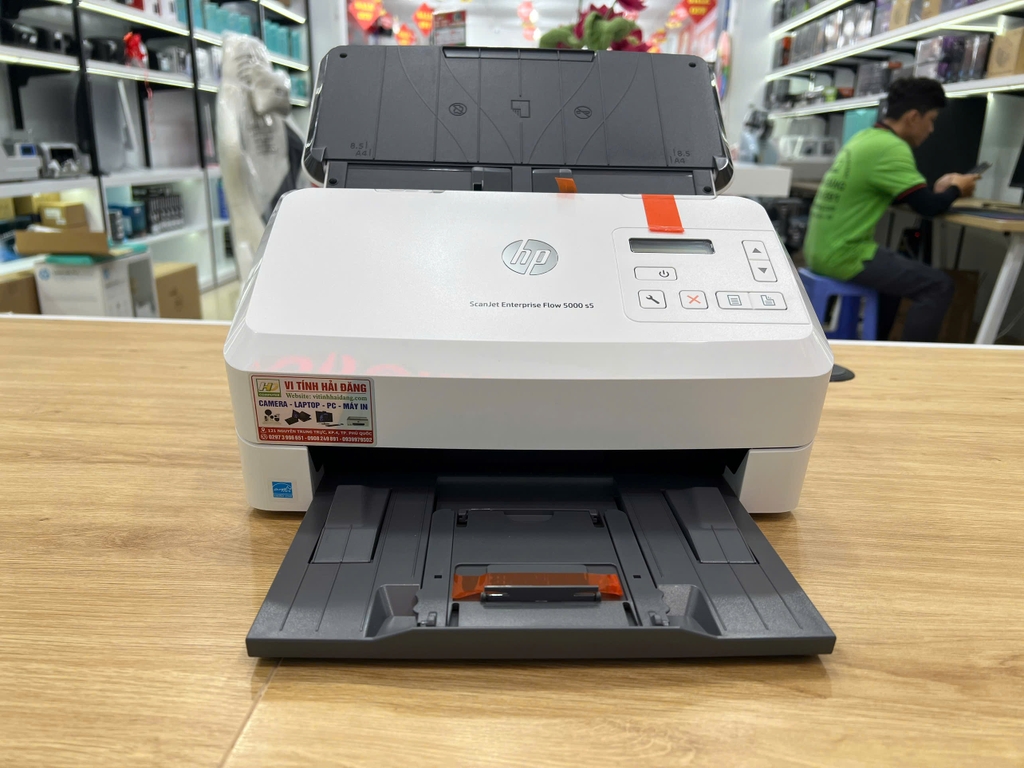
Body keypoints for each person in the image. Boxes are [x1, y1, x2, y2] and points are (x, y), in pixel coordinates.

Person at [804, 77, 979, 342]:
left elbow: (902, 194)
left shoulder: (866, 138)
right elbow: (928, 207)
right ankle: (911, 359)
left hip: (820, 249)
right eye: (931, 120)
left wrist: (938, 189)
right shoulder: (892, 148)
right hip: (844, 255)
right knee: (938, 286)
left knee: (895, 279)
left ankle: (881, 345)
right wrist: (958, 188)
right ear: (913, 117)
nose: (932, 129)